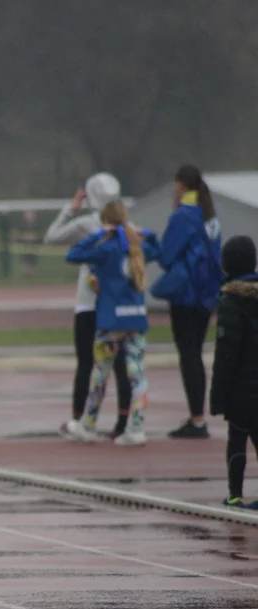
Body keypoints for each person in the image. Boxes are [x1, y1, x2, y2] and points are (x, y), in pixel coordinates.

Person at [62, 201, 159, 447]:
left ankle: (89, 424)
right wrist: (146, 232)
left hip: (110, 320)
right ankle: (136, 427)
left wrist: (98, 234)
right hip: (136, 317)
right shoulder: (139, 247)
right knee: (137, 375)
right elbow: (161, 250)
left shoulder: (105, 248)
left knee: (100, 374)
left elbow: (72, 254)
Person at [44, 173, 132, 439]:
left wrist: (70, 209)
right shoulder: (127, 226)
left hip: (89, 304)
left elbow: (52, 238)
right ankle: (124, 423)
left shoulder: (86, 224)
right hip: (116, 305)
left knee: (86, 364)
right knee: (120, 365)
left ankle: (78, 419)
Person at [155, 164, 223, 439]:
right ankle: (198, 416)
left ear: (180, 185)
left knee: (189, 355)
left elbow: (166, 257)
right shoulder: (211, 216)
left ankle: (196, 418)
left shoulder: (182, 216)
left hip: (186, 294)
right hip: (207, 294)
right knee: (197, 351)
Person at [209, 236, 258, 509]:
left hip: (241, 390)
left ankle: (235, 494)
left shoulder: (230, 301)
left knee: (237, 439)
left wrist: (218, 398)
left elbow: (226, 356)